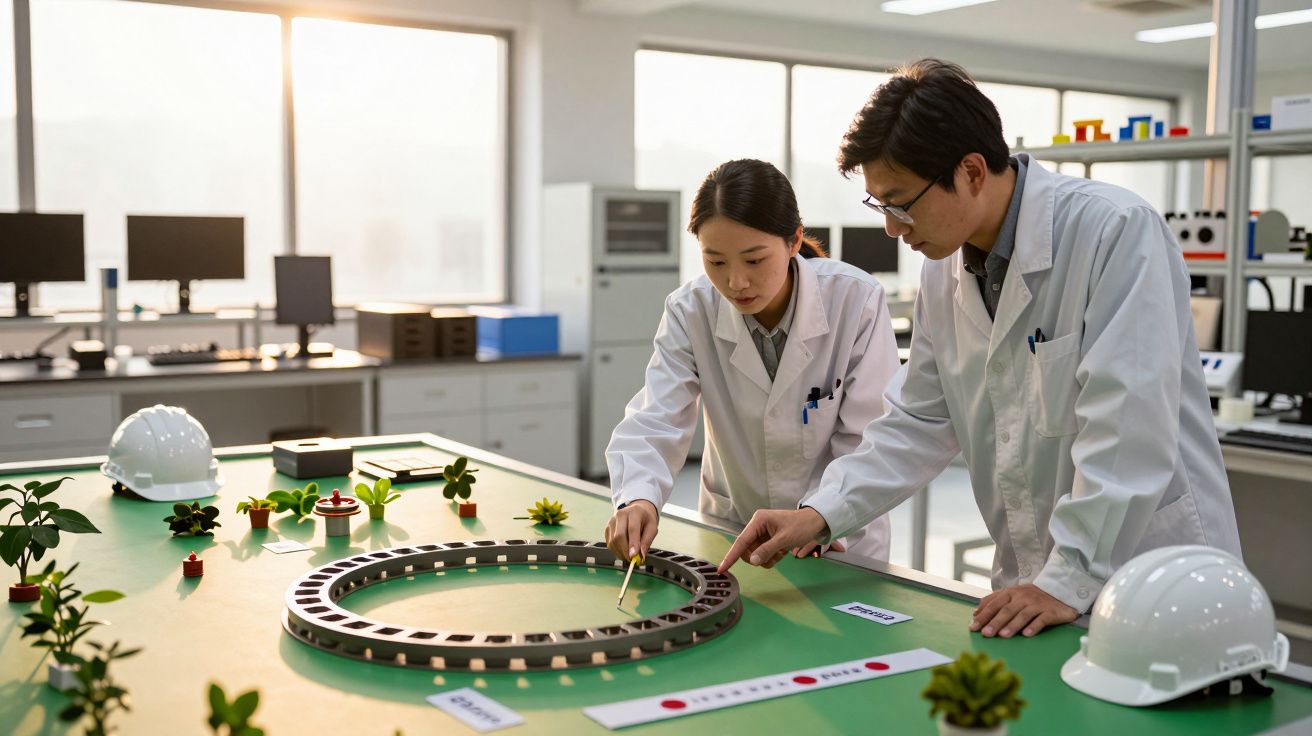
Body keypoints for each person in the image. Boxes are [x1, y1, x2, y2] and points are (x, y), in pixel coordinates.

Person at [718, 60, 1242, 641]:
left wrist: (1066, 578)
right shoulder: (945, 272)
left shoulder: (1114, 232)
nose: (893, 228)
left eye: (899, 203)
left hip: (1153, 581)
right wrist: (820, 513)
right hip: (1032, 587)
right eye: (879, 207)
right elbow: (917, 421)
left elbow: (1128, 428)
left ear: (970, 172)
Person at [603, 158, 900, 566]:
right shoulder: (691, 311)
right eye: (716, 261)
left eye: (754, 260)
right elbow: (657, 416)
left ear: (794, 241)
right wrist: (637, 497)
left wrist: (820, 514)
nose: (735, 282)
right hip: (733, 530)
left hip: (837, 536)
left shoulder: (856, 301)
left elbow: (867, 437)